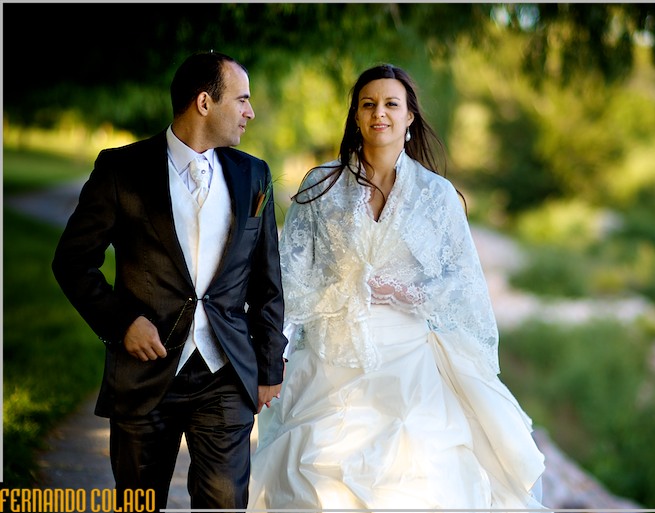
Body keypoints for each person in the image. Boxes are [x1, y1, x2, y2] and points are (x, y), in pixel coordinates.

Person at [247, 63, 547, 510]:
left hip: (411, 362)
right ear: (355, 116)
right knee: (312, 482)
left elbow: (462, 283)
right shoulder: (321, 185)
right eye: (368, 104)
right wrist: (276, 354)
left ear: (409, 116)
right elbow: (289, 279)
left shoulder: (437, 194)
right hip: (330, 362)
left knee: (420, 484)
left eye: (391, 104)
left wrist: (408, 293)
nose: (379, 113)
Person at [51, 51, 287, 512]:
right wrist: (122, 322)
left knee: (224, 503)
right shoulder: (122, 170)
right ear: (204, 102)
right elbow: (73, 262)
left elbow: (267, 280)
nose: (250, 112)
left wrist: (268, 366)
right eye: (241, 99)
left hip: (225, 373)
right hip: (145, 373)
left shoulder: (254, 175)